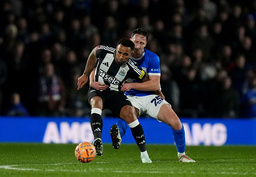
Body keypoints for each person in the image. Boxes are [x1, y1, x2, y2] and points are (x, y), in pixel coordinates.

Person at [109, 28, 195, 162]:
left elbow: (154, 85)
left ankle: (182, 155)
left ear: (146, 44)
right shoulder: (122, 56)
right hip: (130, 97)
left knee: (176, 123)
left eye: (141, 43)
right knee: (129, 114)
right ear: (130, 40)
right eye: (135, 42)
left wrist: (132, 85)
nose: (137, 46)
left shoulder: (152, 58)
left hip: (150, 96)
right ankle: (118, 135)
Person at [77, 38, 152, 163]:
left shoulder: (133, 68)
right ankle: (97, 141)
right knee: (96, 102)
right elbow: (93, 53)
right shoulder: (103, 50)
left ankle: (144, 155)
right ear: (116, 49)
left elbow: (146, 79)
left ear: (131, 55)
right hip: (98, 90)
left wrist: (133, 86)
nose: (121, 56)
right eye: (119, 52)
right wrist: (86, 75)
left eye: (125, 54)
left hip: (116, 94)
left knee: (130, 114)